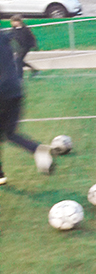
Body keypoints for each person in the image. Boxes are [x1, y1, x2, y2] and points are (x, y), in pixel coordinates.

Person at [0, 24, 52, 184]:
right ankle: (37, 149)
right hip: (15, 90)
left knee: (7, 133)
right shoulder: (4, 37)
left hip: (2, 91)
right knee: (10, 133)